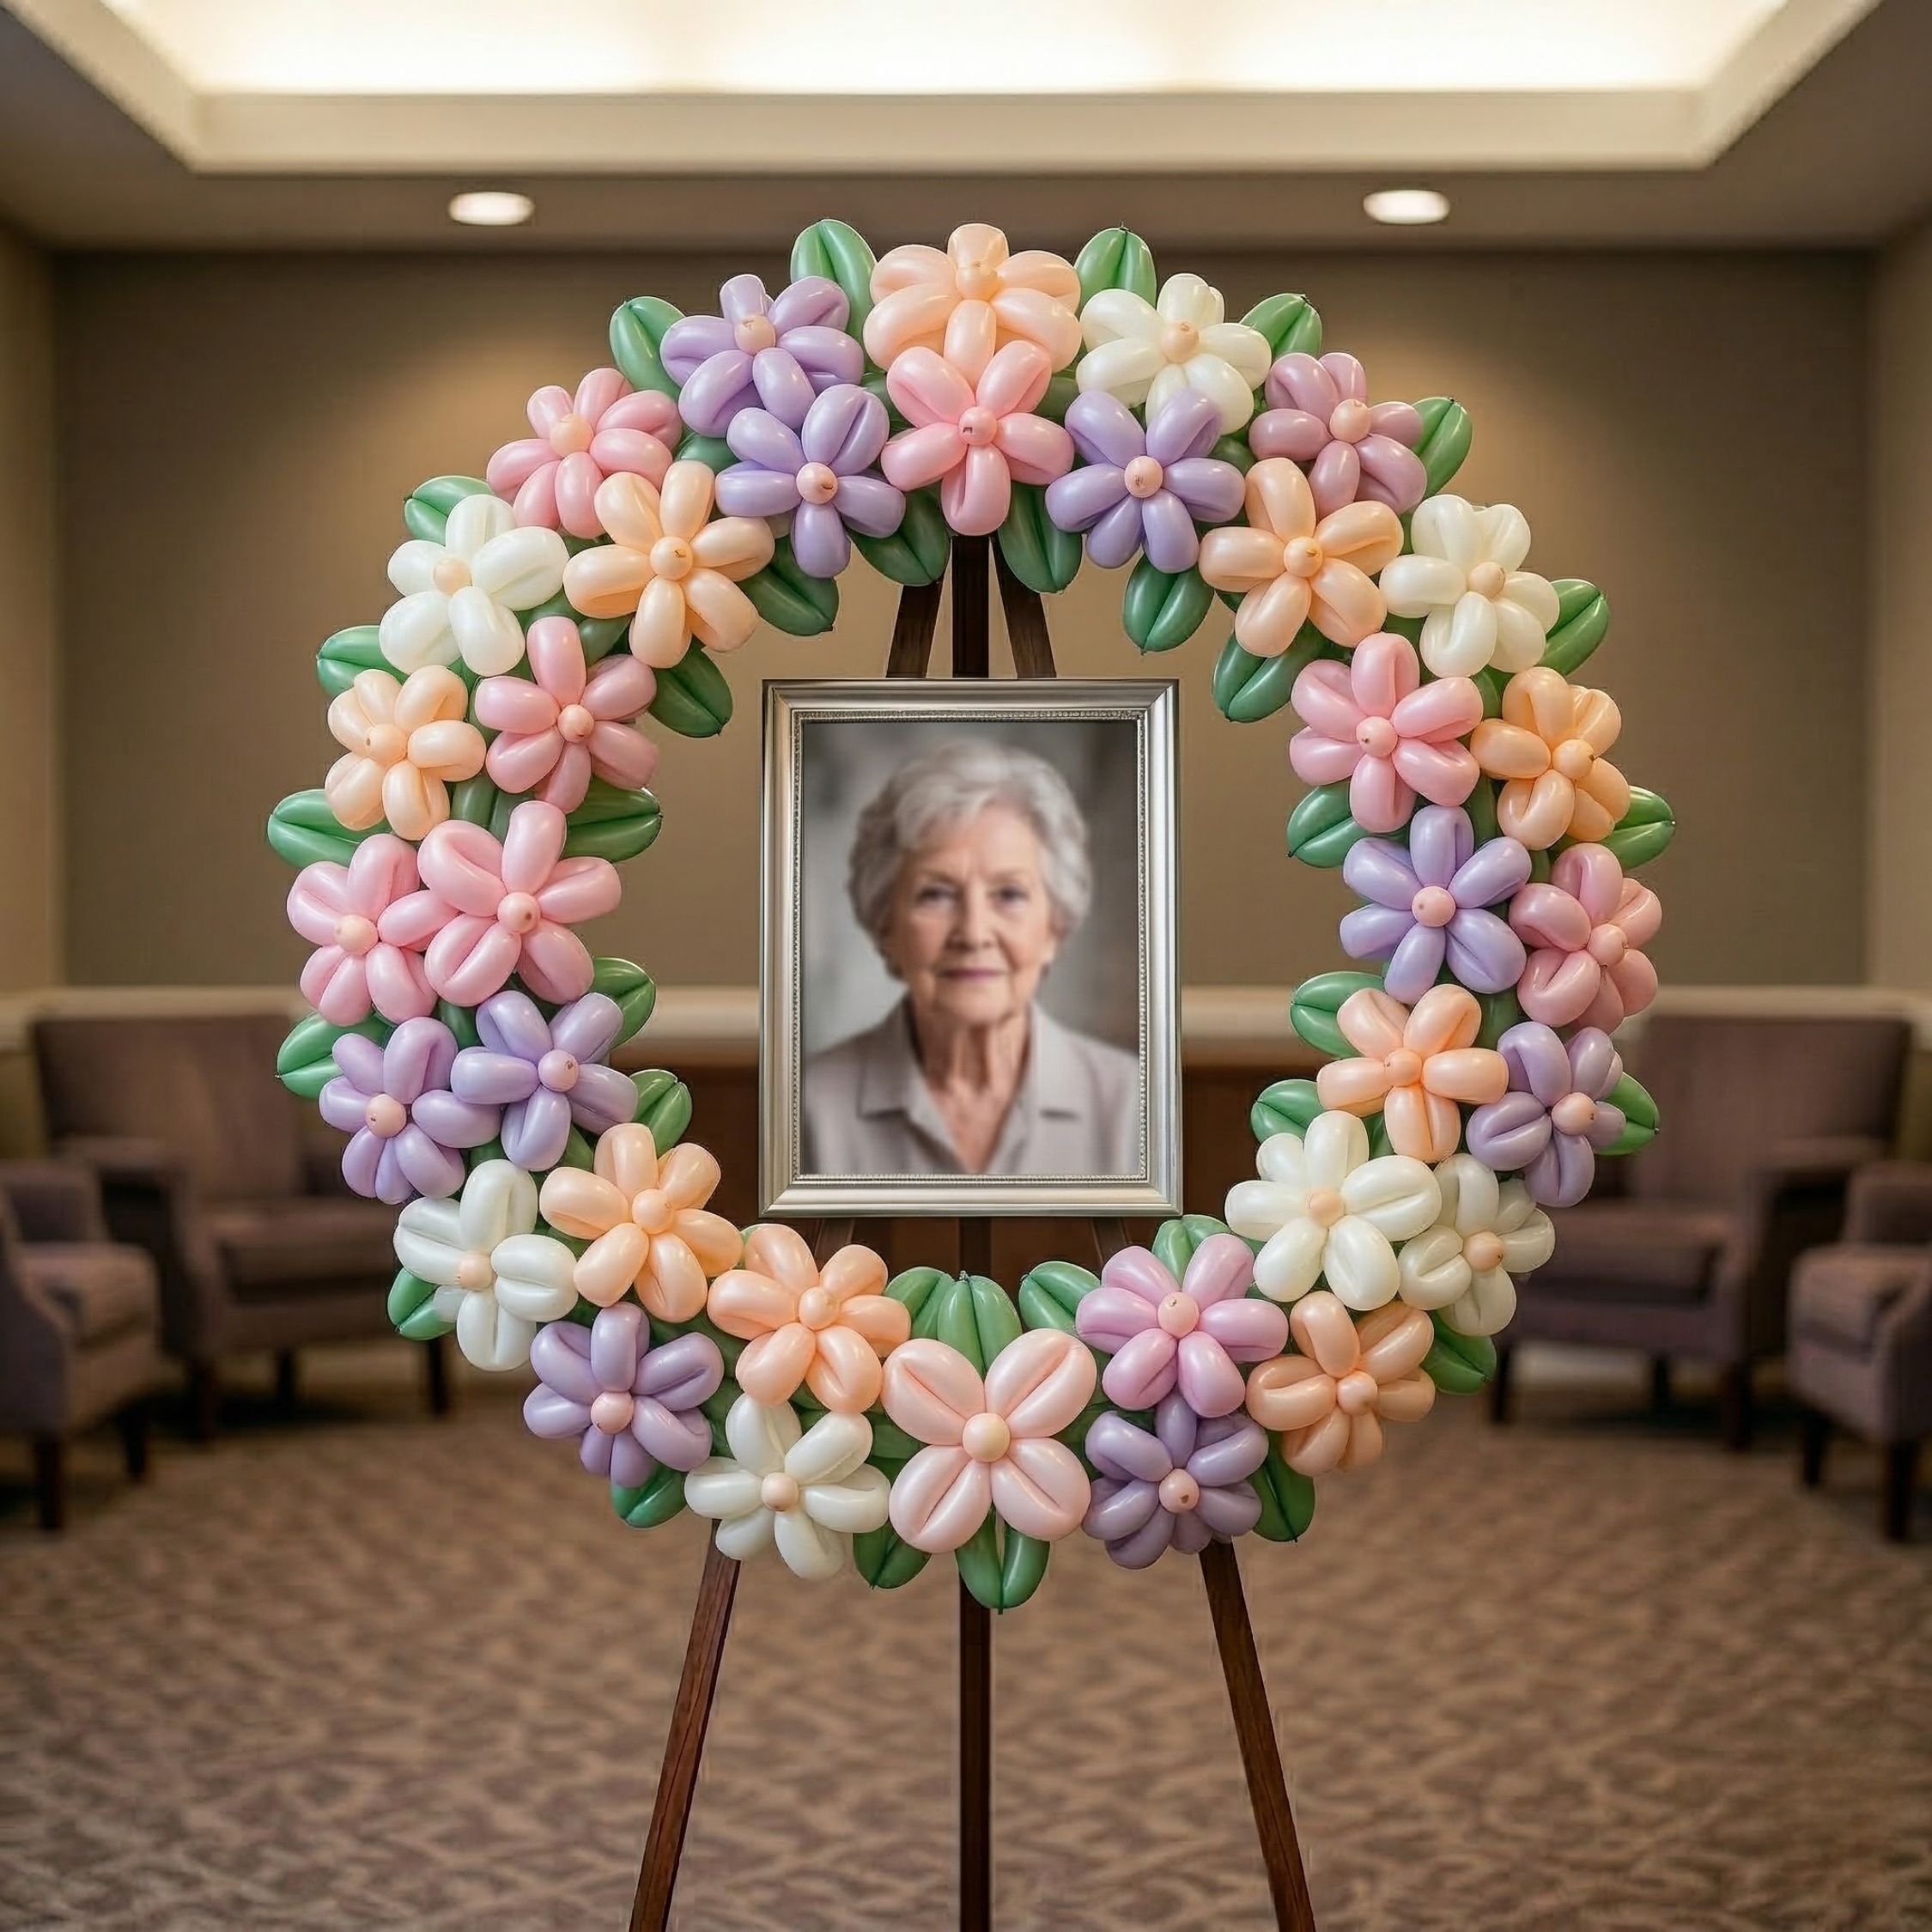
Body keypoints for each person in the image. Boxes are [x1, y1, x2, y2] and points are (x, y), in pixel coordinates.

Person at [802, 736, 1140, 1176]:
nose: (974, 933)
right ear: (886, 923)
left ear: (1055, 925)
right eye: (937, 894)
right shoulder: (813, 1104)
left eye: (1009, 894)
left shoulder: (1129, 1101)